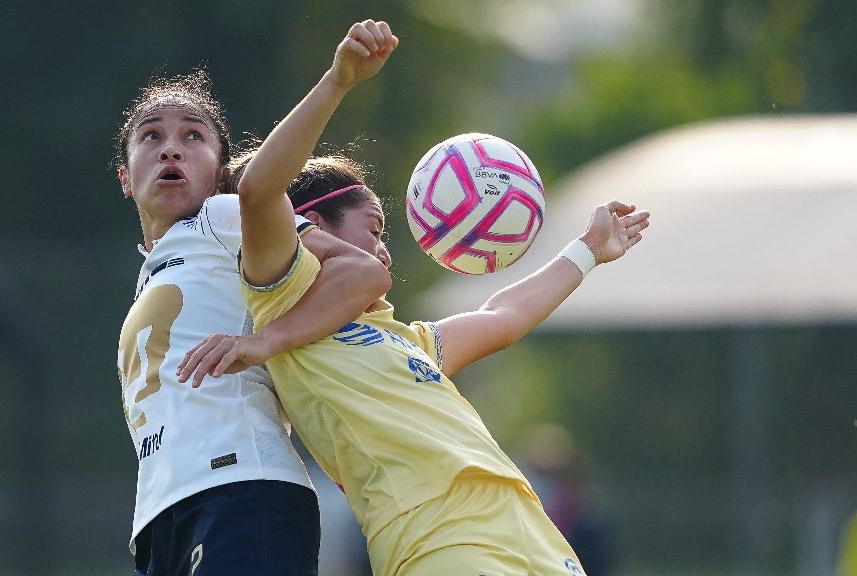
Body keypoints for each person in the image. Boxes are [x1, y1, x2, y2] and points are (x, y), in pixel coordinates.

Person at [177, 17, 650, 576]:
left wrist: (588, 250)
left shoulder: (408, 339)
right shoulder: (284, 294)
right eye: (374, 227)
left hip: (531, 536)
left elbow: (504, 315)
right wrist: (339, 81)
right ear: (309, 226)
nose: (385, 249)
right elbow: (260, 190)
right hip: (439, 542)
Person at [113, 66, 391, 576]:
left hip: (241, 491)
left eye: (192, 136)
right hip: (163, 519)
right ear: (126, 177)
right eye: (151, 136)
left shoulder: (221, 217)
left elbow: (361, 271)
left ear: (220, 174)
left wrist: (268, 340)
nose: (170, 149)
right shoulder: (151, 274)